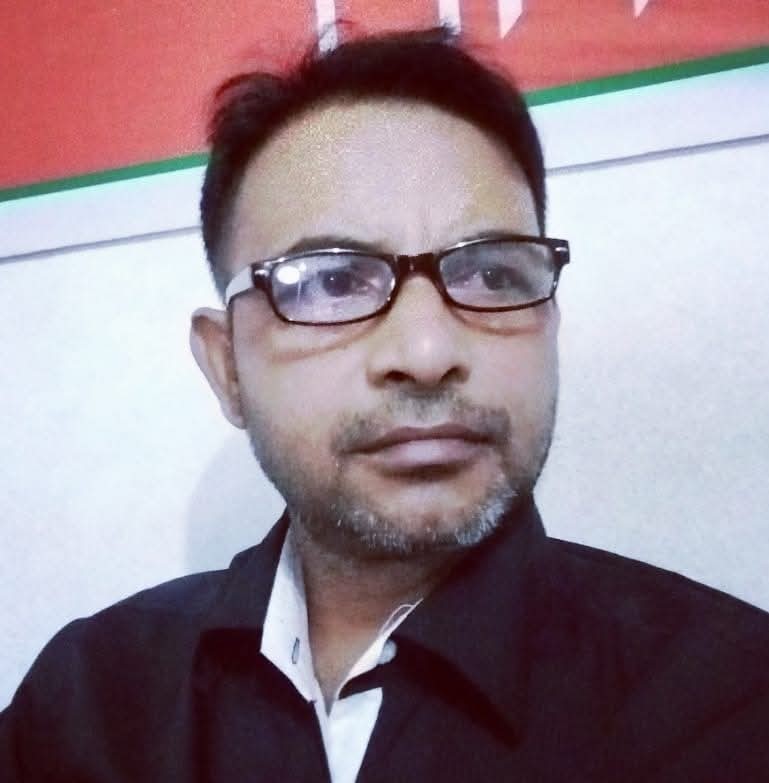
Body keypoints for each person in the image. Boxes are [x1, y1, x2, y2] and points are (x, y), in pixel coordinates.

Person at [2, 26, 768, 782]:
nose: (427, 352)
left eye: (492, 274)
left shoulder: (727, 705)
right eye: (332, 280)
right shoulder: (87, 704)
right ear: (227, 365)